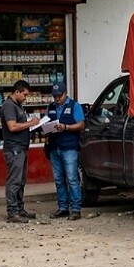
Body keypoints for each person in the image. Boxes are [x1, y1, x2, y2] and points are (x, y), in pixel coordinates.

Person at [1, 80, 41, 224]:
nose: (25, 97)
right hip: (14, 149)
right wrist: (31, 123)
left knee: (21, 181)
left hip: (21, 148)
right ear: (16, 92)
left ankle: (19, 209)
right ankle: (12, 212)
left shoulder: (17, 105)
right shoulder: (9, 106)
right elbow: (12, 126)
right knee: (14, 181)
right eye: (24, 94)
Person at [46, 82, 85, 221]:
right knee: (58, 179)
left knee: (72, 178)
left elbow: (81, 124)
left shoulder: (75, 106)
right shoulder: (50, 107)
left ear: (65, 93)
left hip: (69, 148)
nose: (57, 98)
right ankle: (62, 208)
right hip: (54, 147)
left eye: (59, 96)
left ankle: (76, 209)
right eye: (54, 96)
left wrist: (66, 127)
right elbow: (46, 122)